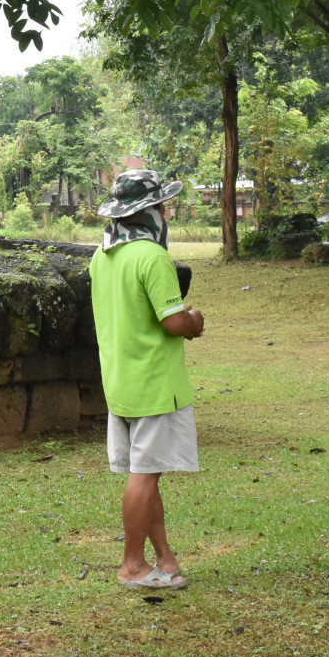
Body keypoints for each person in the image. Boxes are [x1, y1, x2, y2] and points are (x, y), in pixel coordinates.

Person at [90, 168, 204, 590]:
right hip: (156, 383)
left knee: (146, 470)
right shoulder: (153, 257)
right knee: (144, 476)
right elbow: (173, 322)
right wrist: (194, 321)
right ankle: (133, 566)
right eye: (163, 206)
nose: (166, 213)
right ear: (151, 211)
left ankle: (165, 559)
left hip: (121, 381)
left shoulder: (101, 256)